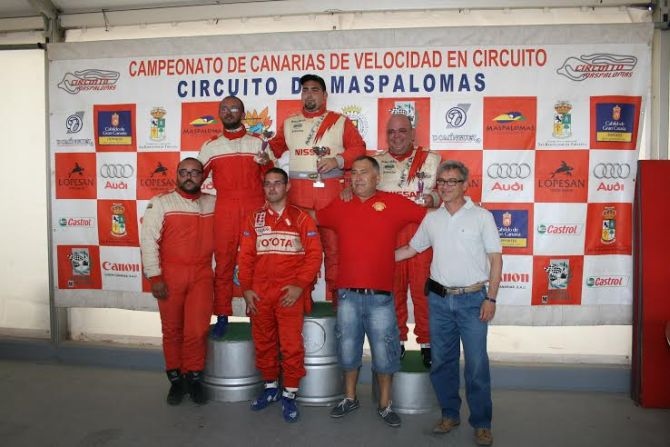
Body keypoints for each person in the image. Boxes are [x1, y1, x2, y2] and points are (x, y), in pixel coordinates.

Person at [395, 160, 502, 446]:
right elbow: (411, 249)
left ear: (465, 185)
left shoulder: (481, 216)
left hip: (473, 301)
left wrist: (491, 298)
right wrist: (376, 257)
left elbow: (495, 259)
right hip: (439, 301)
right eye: (441, 181)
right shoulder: (432, 219)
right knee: (442, 362)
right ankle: (449, 415)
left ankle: (482, 423)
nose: (445, 186)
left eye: (452, 181)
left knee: (476, 365)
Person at [317, 156, 426, 428]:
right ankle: (349, 398)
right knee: (347, 350)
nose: (357, 177)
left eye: (364, 172)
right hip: (347, 295)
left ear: (378, 177)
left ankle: (385, 404)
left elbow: (428, 220)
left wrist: (408, 251)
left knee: (386, 352)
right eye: (354, 172)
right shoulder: (341, 203)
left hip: (381, 296)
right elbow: (314, 218)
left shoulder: (394, 203)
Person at [269, 74, 366, 301]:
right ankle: (302, 304)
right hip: (298, 198)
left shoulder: (339, 121)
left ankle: (337, 304)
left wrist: (338, 160)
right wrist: (260, 150)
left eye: (314, 90)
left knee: (335, 252)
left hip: (331, 196)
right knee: (300, 253)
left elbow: (359, 149)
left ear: (324, 95)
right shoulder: (290, 123)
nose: (309, 94)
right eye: (305, 90)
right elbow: (273, 149)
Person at [238, 168, 322, 423]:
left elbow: (314, 255)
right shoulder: (254, 218)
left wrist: (299, 286)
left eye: (277, 183)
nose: (272, 188)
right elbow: (245, 257)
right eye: (267, 184)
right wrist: (246, 288)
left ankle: (289, 393)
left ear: (287, 187)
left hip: (289, 294)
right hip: (259, 294)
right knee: (263, 342)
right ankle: (271, 387)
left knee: (290, 345)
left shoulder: (301, 218)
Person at [140, 157, 216, 405]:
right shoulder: (161, 203)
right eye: (184, 172)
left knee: (197, 330)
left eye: (195, 172)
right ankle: (176, 381)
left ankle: (193, 378)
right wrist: (155, 276)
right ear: (176, 175)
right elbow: (148, 240)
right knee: (172, 330)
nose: (189, 177)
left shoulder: (213, 203)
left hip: (202, 276)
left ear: (203, 177)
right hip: (170, 275)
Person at [198, 95, 273, 337]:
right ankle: (222, 316)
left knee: (258, 264)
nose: (229, 112)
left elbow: (273, 177)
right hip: (226, 208)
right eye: (224, 108)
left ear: (242, 114)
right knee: (223, 264)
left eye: (234, 108)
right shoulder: (211, 146)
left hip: (255, 206)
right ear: (219, 113)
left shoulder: (259, 142)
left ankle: (257, 315)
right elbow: (196, 176)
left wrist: (266, 164)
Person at [374, 112, 441, 368]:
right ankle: (397, 340)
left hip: (422, 233)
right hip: (388, 235)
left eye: (402, 131)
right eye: (391, 132)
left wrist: (433, 199)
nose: (397, 137)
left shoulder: (432, 159)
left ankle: (428, 343)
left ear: (412, 133)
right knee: (393, 292)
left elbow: (446, 191)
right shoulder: (376, 162)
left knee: (424, 293)